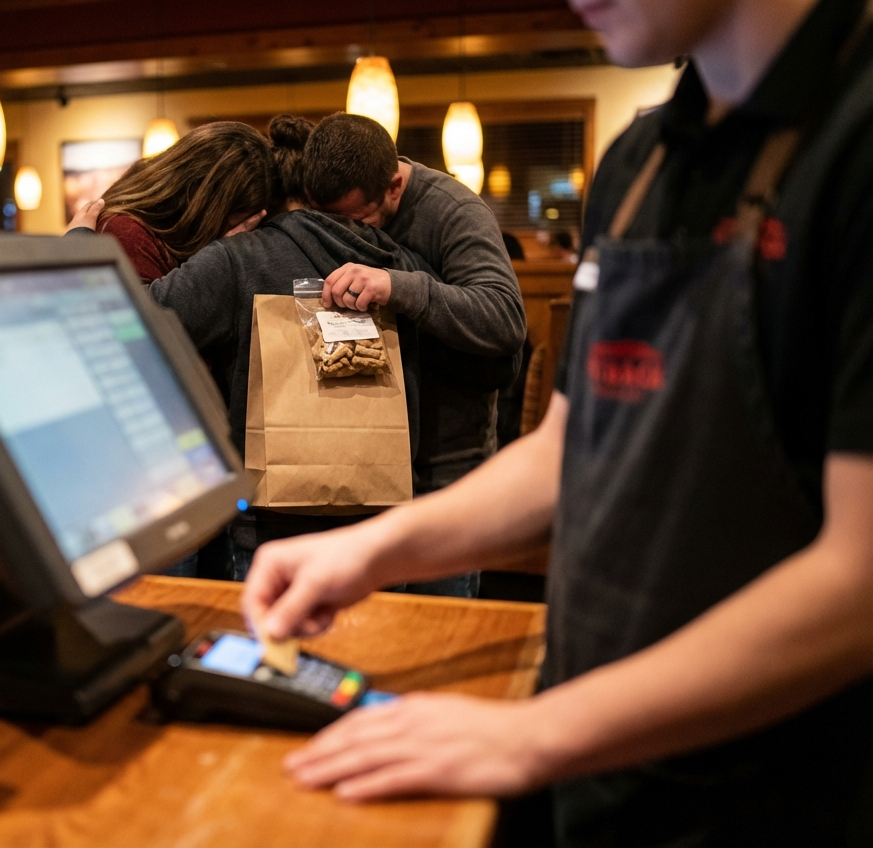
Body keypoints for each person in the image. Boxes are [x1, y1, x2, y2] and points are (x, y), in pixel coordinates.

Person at [241, 0, 873, 845]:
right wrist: (368, 550)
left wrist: (532, 734)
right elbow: (567, 452)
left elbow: (860, 578)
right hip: (600, 749)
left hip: (773, 789)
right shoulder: (639, 162)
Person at [300, 114, 525, 595]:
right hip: (364, 464)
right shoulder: (342, 200)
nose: (344, 232)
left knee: (438, 626)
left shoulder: (454, 211)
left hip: (443, 468)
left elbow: (505, 319)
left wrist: (396, 285)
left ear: (395, 185)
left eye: (356, 220)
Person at [96, 121, 275, 282]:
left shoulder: (163, 236)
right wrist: (219, 255)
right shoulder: (128, 234)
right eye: (242, 222)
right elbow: (159, 317)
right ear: (205, 203)